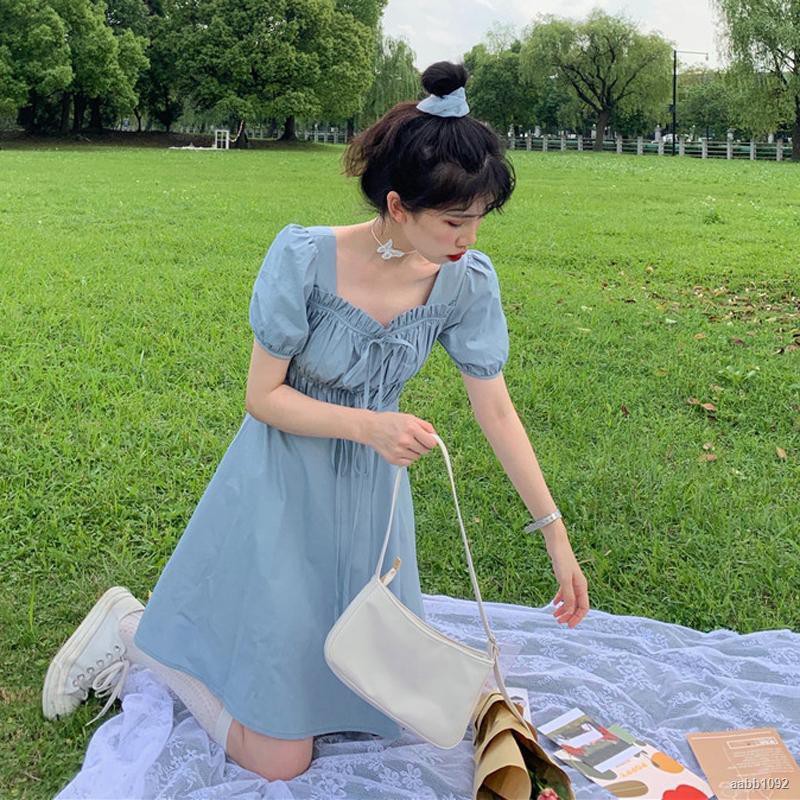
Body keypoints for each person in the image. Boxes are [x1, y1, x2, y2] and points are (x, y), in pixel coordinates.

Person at [42, 60, 590, 782]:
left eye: (480, 217)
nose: (471, 236)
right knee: (281, 761)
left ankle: (209, 646)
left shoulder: (464, 281)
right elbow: (263, 397)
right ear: (398, 206)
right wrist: (370, 428)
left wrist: (555, 534)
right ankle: (136, 632)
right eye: (455, 220)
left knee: (375, 700)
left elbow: (496, 408)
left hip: (371, 503)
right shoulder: (305, 259)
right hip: (281, 482)